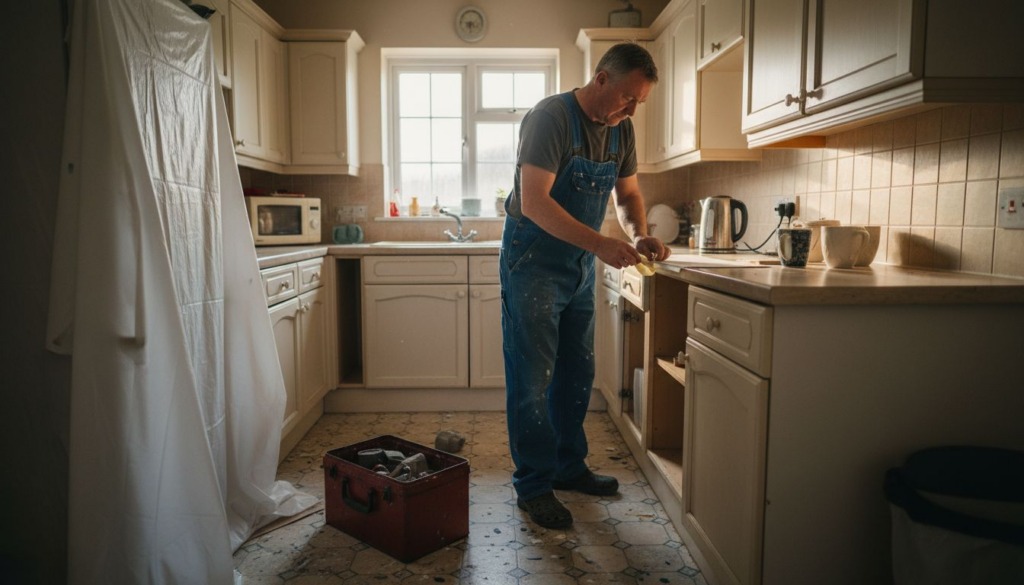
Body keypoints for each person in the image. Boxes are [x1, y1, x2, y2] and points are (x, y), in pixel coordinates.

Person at [499, 43, 667, 529]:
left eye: (639, 102)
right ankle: (533, 485)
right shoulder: (551, 118)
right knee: (532, 378)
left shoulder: (622, 130)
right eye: (627, 98)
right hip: (532, 262)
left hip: (578, 263)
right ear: (600, 79)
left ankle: (568, 467)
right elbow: (534, 202)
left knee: (577, 371)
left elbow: (629, 194)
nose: (632, 110)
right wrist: (599, 245)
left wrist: (638, 234)